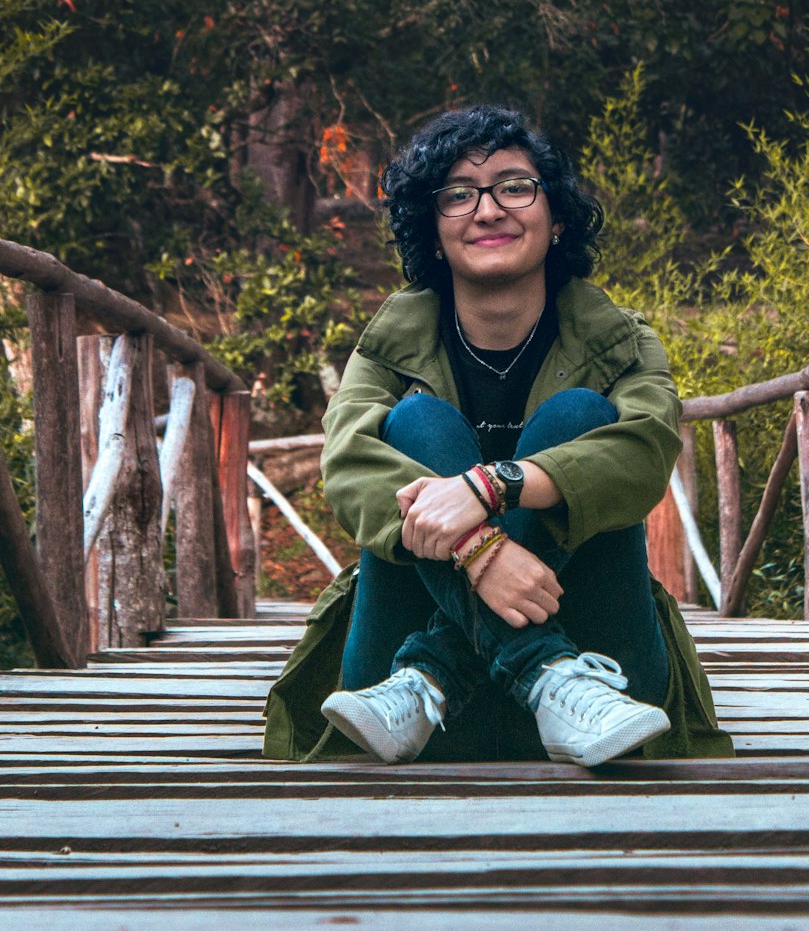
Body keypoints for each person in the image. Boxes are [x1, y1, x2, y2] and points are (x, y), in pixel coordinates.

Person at [262, 106, 733, 767]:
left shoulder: (621, 343)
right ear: (432, 230)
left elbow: (645, 448)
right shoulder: (390, 348)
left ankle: (449, 667)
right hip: (408, 710)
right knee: (418, 423)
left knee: (578, 416)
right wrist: (481, 549)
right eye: (458, 194)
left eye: (514, 186)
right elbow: (347, 465)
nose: (487, 210)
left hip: (604, 691)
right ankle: (529, 669)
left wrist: (492, 485)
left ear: (557, 216)